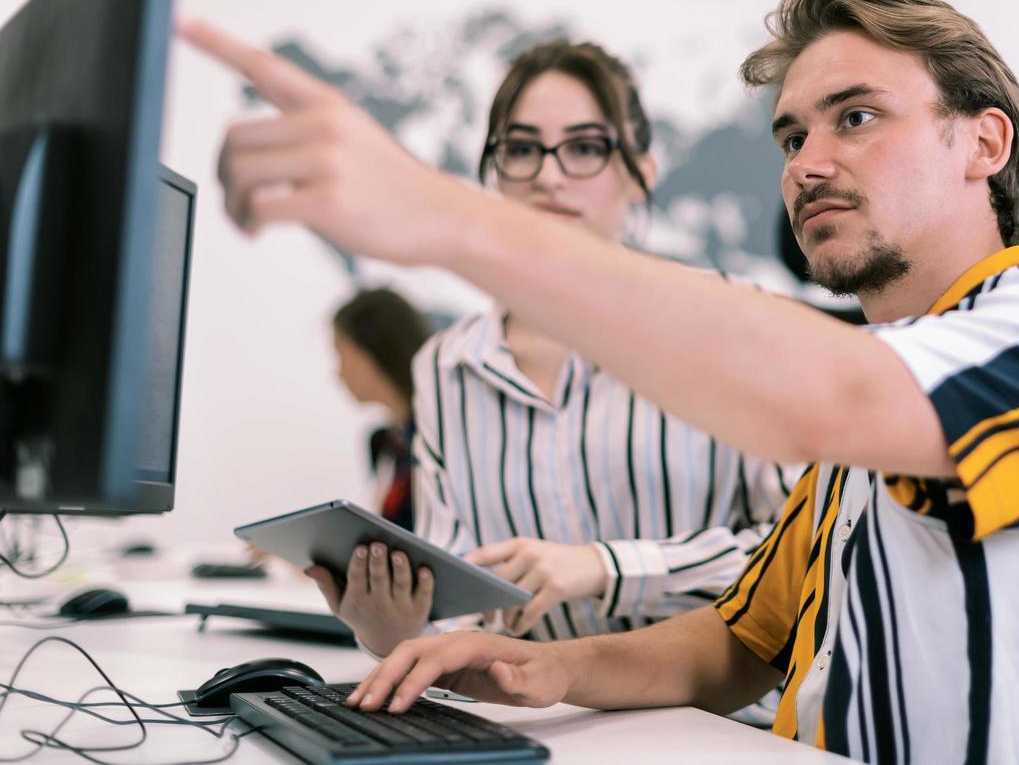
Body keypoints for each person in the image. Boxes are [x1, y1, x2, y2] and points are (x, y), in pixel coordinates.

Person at [188, 0, 1019, 764]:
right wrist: (542, 670)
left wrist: (444, 218)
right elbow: (739, 641)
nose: (805, 163)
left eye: (855, 117)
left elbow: (830, 399)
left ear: (984, 142)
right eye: (792, 135)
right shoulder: (878, 387)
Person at [301, 39, 796, 721]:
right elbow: (458, 604)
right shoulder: (446, 366)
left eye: (585, 147)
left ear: (641, 173)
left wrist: (606, 565)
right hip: (542, 728)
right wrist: (394, 629)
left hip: (717, 726)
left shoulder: (733, 322)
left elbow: (801, 557)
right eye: (522, 149)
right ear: (494, 175)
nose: (549, 176)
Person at [331, 287, 432, 531]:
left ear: (372, 353)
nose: (339, 373)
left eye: (342, 355)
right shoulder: (383, 443)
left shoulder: (437, 441)